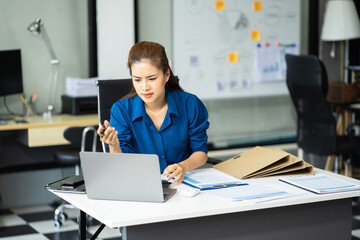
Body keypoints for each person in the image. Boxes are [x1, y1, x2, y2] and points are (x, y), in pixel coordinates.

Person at [97, 41, 209, 184]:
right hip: (139, 184)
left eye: (152, 79)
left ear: (166, 75)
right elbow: (121, 164)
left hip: (183, 184)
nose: (144, 87)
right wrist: (114, 145)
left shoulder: (190, 104)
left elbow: (200, 152)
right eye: (137, 80)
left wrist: (183, 166)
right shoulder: (121, 110)